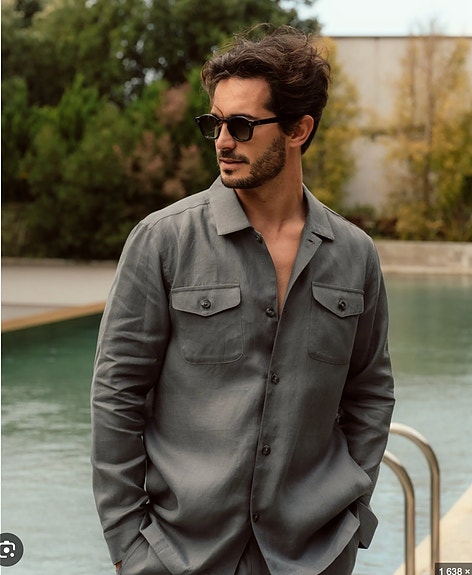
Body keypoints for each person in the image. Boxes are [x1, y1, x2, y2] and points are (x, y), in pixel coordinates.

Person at [91, 25, 395, 575]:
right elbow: (117, 393)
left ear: (299, 129)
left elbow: (370, 392)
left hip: (313, 556)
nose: (223, 142)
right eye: (215, 124)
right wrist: (129, 546)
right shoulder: (162, 241)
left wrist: (350, 518)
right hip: (179, 556)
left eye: (242, 125)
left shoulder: (355, 255)